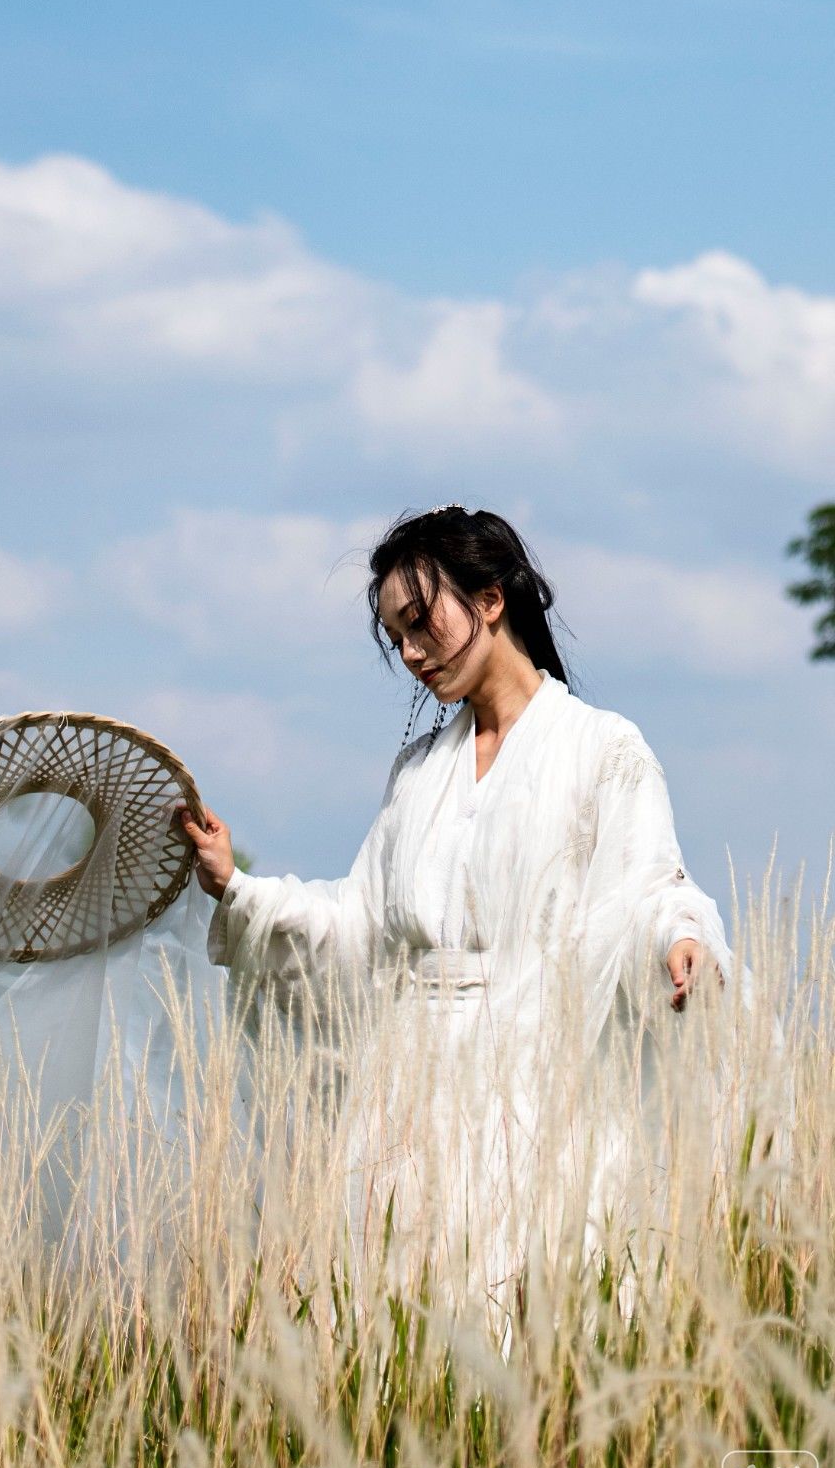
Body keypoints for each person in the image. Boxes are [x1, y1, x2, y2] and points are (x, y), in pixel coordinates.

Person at [178, 506, 738, 1317]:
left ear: (490, 599)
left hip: (538, 1086)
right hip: (407, 1102)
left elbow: (652, 881)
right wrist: (238, 886)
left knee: (527, 1311)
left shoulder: (603, 749)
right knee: (402, 1319)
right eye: (396, 636)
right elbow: (359, 923)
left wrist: (682, 937)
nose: (410, 652)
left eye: (420, 622)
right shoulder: (418, 774)